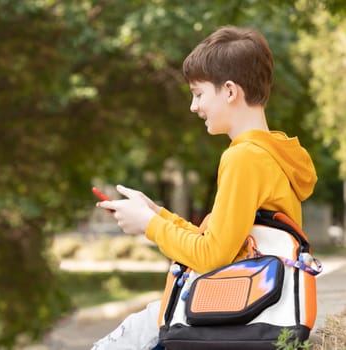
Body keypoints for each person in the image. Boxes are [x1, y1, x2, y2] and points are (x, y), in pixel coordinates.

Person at [92, 25, 317, 350]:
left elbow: (211, 257)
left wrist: (150, 227)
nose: (193, 107)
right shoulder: (274, 154)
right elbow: (225, 242)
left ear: (229, 91)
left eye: (198, 94)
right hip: (258, 310)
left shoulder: (244, 158)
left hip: (235, 318)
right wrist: (158, 214)